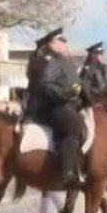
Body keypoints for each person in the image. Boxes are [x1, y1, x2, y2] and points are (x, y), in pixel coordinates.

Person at [26, 27, 84, 188]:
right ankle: (67, 173)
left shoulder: (65, 62)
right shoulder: (51, 61)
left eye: (64, 41)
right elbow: (45, 86)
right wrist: (66, 93)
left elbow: (78, 85)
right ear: (51, 44)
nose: (64, 44)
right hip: (50, 105)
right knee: (72, 126)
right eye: (60, 40)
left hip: (66, 103)